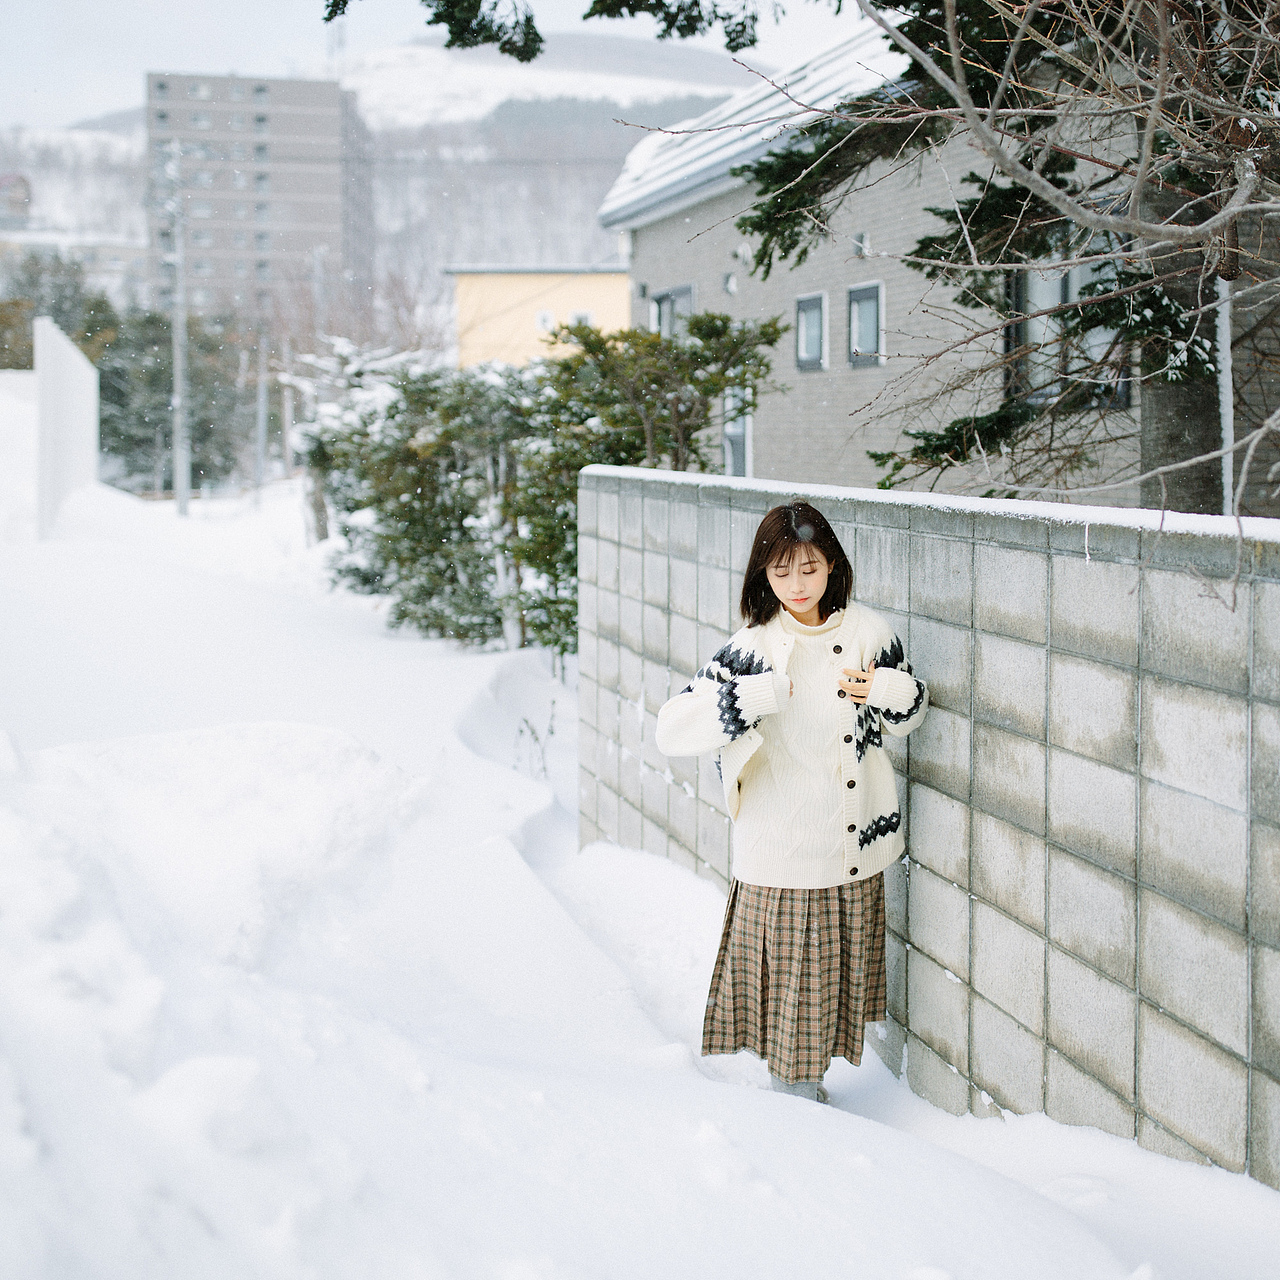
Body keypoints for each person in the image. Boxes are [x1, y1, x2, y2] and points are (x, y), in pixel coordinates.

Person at [655, 501, 928, 1102]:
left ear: (832, 564)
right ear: (763, 576)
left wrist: (884, 687)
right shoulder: (753, 646)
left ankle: (804, 1107)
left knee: (823, 1001)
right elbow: (672, 729)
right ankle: (798, 1121)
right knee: (792, 1014)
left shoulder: (868, 632)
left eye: (808, 568)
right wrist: (747, 698)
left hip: (850, 845)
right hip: (778, 851)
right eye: (781, 573)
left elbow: (909, 714)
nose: (797, 586)